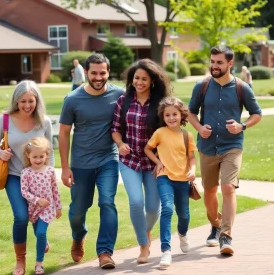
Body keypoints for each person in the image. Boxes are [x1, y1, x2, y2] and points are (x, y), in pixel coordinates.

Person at [188, 45, 262, 255]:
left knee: (228, 187)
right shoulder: (201, 86)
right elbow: (191, 113)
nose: (214, 66)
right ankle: (215, 223)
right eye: (212, 62)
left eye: (219, 62)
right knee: (209, 191)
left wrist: (242, 126)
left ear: (230, 64)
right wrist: (200, 128)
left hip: (232, 146)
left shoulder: (241, 88)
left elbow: (256, 113)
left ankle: (226, 236)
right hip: (208, 147)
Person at [59, 53, 124, 269]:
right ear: (85, 72)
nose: (98, 77)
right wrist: (65, 167)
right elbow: (64, 133)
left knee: (107, 201)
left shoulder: (119, 95)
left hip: (108, 159)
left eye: (102, 73)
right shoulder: (73, 99)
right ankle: (79, 235)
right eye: (94, 73)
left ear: (108, 72)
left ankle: (105, 252)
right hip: (80, 163)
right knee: (78, 210)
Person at [0, 80, 54, 275]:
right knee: (21, 216)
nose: (27, 106)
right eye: (22, 101)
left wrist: (49, 176)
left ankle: (40, 236)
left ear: (37, 101)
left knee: (38, 214)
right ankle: (20, 261)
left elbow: (50, 152)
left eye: (31, 101)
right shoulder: (6, 120)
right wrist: (0, 154)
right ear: (16, 101)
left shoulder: (44, 122)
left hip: (38, 177)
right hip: (14, 176)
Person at [111, 59, 171, 264]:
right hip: (130, 160)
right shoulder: (124, 101)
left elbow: (171, 130)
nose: (139, 82)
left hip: (155, 161)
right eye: (137, 78)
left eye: (144, 79)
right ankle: (143, 245)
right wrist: (120, 144)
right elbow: (115, 129)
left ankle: (145, 230)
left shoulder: (161, 103)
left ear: (152, 80)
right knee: (136, 202)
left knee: (154, 208)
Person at [144, 96, 197, 269]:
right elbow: (148, 149)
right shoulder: (160, 133)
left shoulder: (187, 135)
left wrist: (193, 170)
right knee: (167, 208)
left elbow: (191, 157)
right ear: (163, 116)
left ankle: (182, 233)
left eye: (175, 114)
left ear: (181, 115)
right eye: (167, 115)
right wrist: (158, 162)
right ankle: (166, 251)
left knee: (184, 214)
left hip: (182, 179)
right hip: (164, 176)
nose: (171, 118)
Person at [21, 137, 62, 275]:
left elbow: (55, 189)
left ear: (46, 156)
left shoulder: (50, 171)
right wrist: (37, 200)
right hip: (33, 209)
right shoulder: (26, 172)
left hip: (47, 209)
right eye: (35, 157)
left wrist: (58, 207)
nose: (38, 159)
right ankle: (44, 243)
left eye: (41, 156)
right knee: (38, 234)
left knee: (40, 233)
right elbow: (24, 191)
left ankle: (39, 264)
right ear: (28, 155)